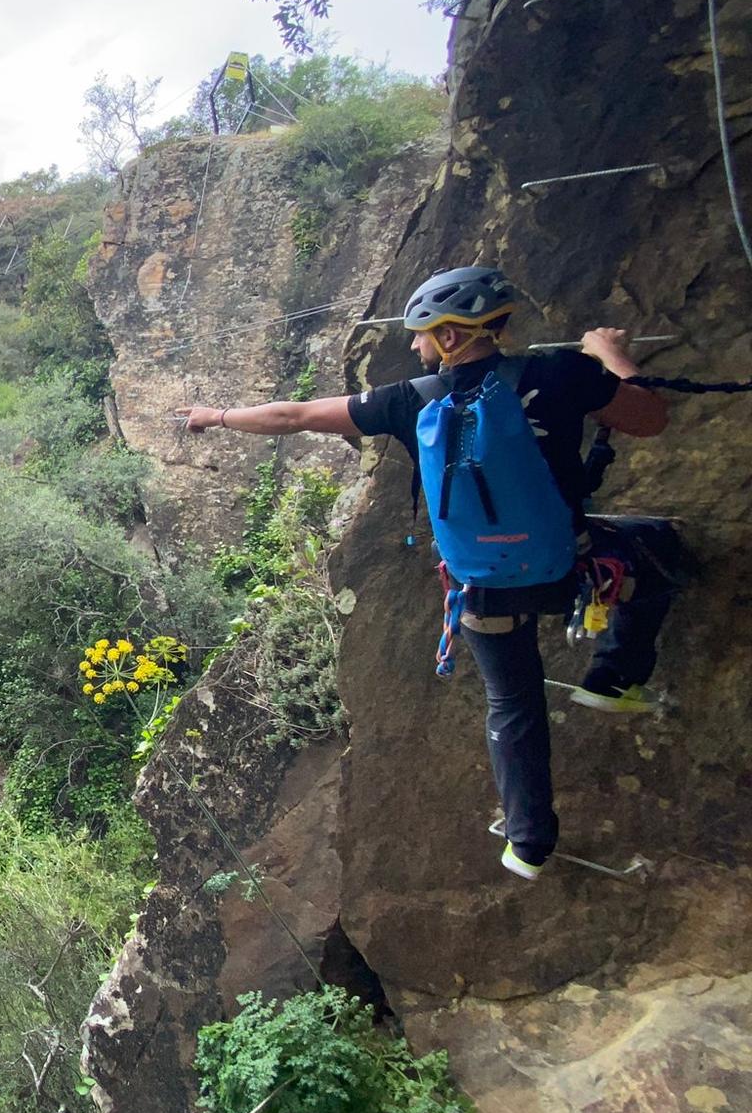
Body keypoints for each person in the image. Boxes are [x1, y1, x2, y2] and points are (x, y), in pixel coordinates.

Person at [174, 266, 673, 882]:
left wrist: (216, 415)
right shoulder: (562, 373)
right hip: (567, 571)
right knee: (652, 551)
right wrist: (613, 357)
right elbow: (650, 418)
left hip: (480, 588)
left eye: (421, 334)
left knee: (513, 702)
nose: (415, 346)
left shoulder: (410, 399)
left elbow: (294, 416)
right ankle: (613, 674)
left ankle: (529, 844)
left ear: (452, 337)